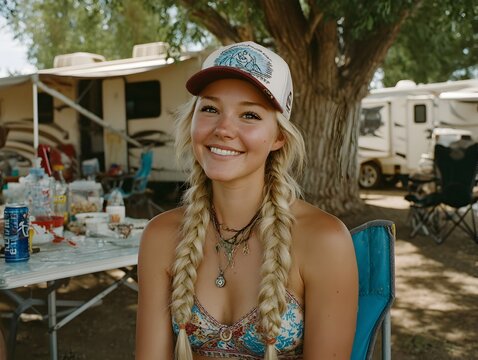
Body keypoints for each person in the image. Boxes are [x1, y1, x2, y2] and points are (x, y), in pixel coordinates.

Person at [135, 41, 358, 359]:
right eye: (210, 109)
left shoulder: (325, 240)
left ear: (279, 137)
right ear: (192, 122)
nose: (224, 129)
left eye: (249, 115)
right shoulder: (160, 236)